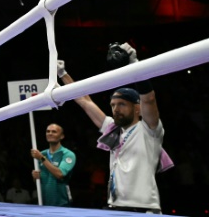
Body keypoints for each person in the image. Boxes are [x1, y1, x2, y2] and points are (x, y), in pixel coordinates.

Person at [58, 42, 170, 213]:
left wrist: (134, 63)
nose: (116, 109)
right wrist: (63, 74)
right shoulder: (113, 128)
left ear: (137, 108)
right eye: (113, 105)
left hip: (144, 209)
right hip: (115, 207)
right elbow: (85, 101)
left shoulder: (149, 130)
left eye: (122, 104)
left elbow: (149, 98)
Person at [30, 123, 76, 207]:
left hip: (62, 203)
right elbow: (38, 180)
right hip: (43, 202)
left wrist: (42, 158)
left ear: (61, 136)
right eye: (48, 131)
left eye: (54, 132)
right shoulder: (41, 153)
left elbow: (60, 174)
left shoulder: (68, 154)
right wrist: (35, 176)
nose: (50, 133)